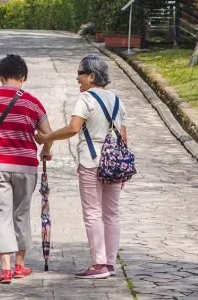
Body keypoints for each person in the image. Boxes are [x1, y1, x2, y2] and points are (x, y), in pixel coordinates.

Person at [36, 55, 128, 279]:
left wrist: (47, 137)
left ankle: (98, 265)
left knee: (93, 213)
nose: (77, 78)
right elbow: (123, 137)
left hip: (91, 161)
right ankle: (109, 262)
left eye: (80, 73)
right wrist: (123, 168)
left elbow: (73, 128)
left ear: (91, 76)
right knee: (112, 214)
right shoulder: (117, 100)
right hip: (115, 161)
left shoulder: (86, 99)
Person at [0, 54, 54, 284]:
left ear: (0, 76)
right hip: (26, 166)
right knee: (21, 213)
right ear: (23, 78)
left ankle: (5, 269)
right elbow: (47, 132)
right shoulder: (32, 102)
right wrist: (46, 150)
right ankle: (20, 265)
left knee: (1, 214)